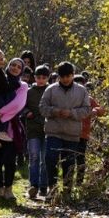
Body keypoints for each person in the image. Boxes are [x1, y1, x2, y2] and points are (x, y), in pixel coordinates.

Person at [39, 61, 91, 199]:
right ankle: (52, 189)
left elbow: (86, 110)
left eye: (68, 76)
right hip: (53, 132)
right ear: (59, 76)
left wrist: (72, 113)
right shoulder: (50, 89)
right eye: (63, 76)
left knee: (69, 164)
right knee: (50, 159)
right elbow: (42, 108)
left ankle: (67, 192)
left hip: (72, 133)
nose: (66, 79)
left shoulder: (82, 90)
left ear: (73, 75)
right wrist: (55, 111)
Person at [0, 57, 29, 200]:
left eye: (19, 66)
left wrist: (0, 114)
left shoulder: (22, 86)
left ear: (21, 71)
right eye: (13, 65)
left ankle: (9, 188)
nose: (15, 68)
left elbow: (17, 105)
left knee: (10, 161)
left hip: (11, 129)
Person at [73, 74, 106, 187]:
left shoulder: (89, 99)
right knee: (68, 159)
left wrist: (96, 110)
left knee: (80, 159)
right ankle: (67, 183)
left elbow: (101, 111)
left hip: (83, 134)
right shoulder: (69, 98)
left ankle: (78, 183)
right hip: (69, 133)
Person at [23, 65, 50, 199]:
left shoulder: (51, 90)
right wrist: (27, 112)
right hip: (32, 129)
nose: (41, 80)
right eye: (38, 77)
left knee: (45, 159)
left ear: (47, 78)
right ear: (35, 77)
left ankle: (44, 186)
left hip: (48, 129)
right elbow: (22, 106)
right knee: (34, 157)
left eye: (44, 78)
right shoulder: (29, 91)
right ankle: (33, 185)